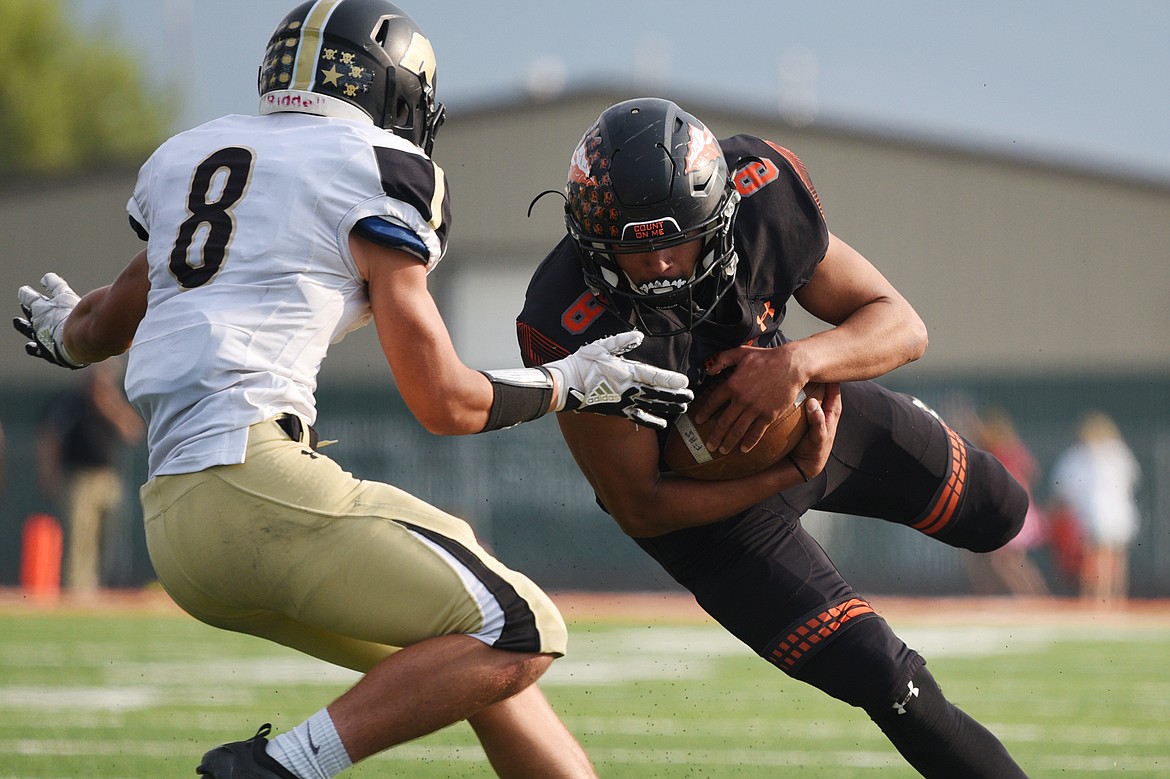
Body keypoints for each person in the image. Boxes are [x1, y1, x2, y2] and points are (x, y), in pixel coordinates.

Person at [11, 4, 692, 777]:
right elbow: (445, 401)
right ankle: (283, 766)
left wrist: (62, 330)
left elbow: (101, 321)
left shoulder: (188, 156)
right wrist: (570, 383)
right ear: (392, 93)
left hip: (177, 521)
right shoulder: (373, 166)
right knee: (523, 625)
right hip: (257, 483)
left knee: (477, 664)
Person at [517, 97, 1030, 777]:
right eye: (638, 250)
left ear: (720, 213)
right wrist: (785, 472)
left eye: (678, 240)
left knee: (1003, 510)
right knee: (887, 677)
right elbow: (639, 502)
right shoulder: (565, 315)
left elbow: (902, 323)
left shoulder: (761, 193)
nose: (663, 266)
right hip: (709, 519)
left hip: (809, 411)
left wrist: (797, 363)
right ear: (593, 239)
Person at [36, 359, 144, 594]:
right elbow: (50, 440)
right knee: (79, 538)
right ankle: (77, 591)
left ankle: (99, 591)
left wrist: (109, 403)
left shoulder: (112, 405)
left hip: (108, 479)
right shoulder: (71, 404)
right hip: (79, 479)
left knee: (107, 539)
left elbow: (133, 431)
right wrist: (49, 476)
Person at [1050, 410, 1141, 605]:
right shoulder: (1092, 455)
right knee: (1098, 558)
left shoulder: (1114, 453)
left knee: (1109, 557)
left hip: (1106, 514)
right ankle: (1098, 598)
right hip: (1096, 514)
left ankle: (1108, 598)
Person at [964, 408, 1049, 596]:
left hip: (1009, 508)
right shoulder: (1014, 449)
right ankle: (1034, 596)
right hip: (1019, 507)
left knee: (1006, 561)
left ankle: (1033, 596)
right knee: (1010, 560)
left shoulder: (999, 450)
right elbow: (1033, 471)